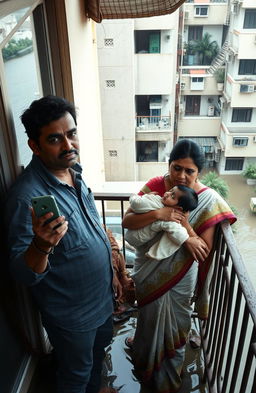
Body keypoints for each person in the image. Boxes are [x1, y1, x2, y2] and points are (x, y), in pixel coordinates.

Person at [4, 95, 120, 393]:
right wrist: (41, 246)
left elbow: (93, 228)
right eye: (55, 139)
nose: (69, 145)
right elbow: (22, 273)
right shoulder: (26, 198)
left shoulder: (75, 174)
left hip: (102, 301)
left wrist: (115, 272)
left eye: (72, 134)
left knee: (96, 358)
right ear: (35, 146)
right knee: (74, 377)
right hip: (73, 319)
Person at [122, 139, 236, 393]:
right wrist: (158, 215)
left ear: (199, 172)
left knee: (177, 324)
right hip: (148, 268)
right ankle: (144, 360)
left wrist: (183, 224)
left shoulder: (207, 201)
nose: (181, 176)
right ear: (169, 165)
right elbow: (128, 220)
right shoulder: (154, 186)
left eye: (189, 171)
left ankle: (167, 381)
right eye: (176, 168)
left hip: (180, 276)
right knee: (149, 317)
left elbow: (201, 250)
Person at [125, 185, 198, 260]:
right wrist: (144, 197)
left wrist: (186, 239)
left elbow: (177, 230)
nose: (167, 193)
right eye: (171, 191)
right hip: (133, 236)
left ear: (178, 208)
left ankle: (154, 254)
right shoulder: (156, 201)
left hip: (137, 239)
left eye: (172, 196)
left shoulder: (172, 219)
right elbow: (137, 204)